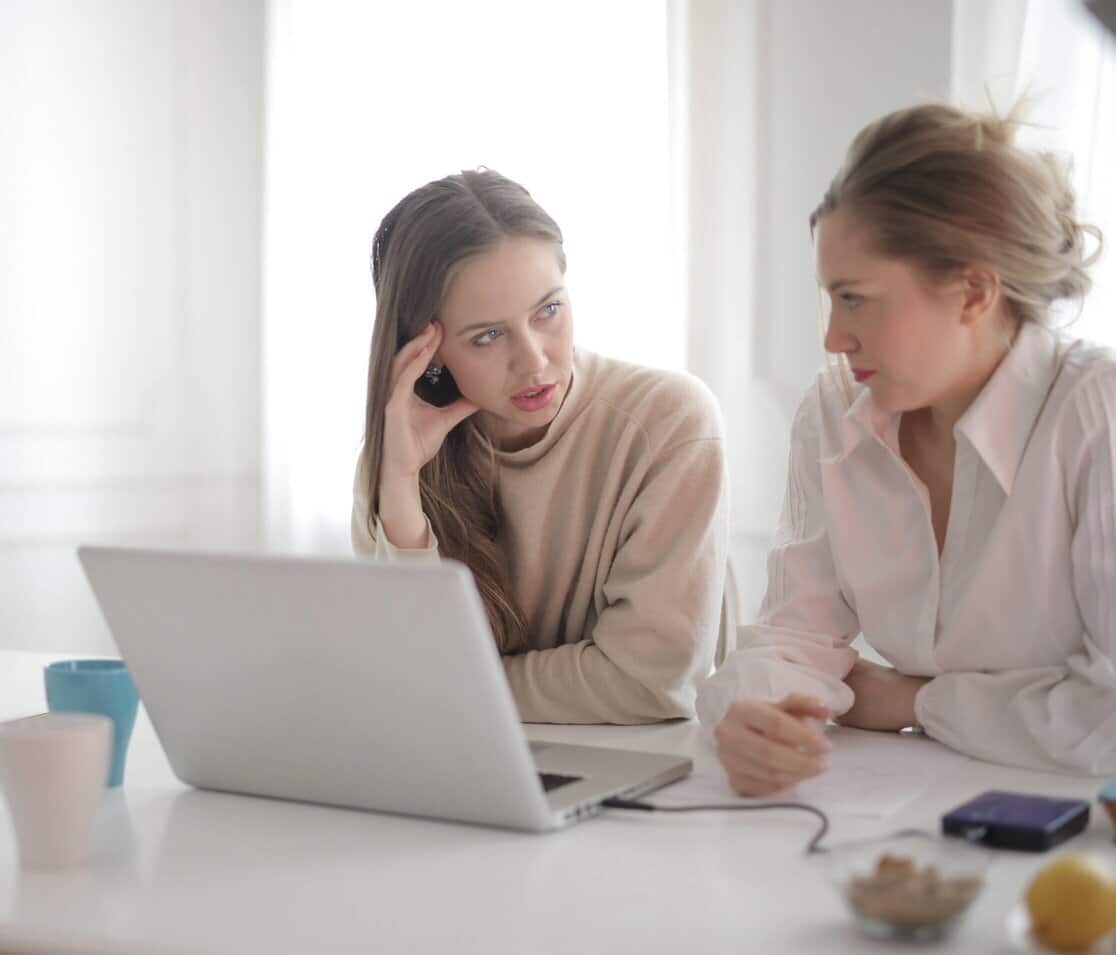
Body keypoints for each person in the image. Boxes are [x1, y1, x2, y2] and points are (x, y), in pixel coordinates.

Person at [698, 102, 1116, 793]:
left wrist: (919, 700)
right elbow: (795, 636)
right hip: (909, 805)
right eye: (830, 299)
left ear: (974, 291)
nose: (834, 336)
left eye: (856, 299)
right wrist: (753, 712)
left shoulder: (1096, 413)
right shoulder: (834, 413)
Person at [353, 169, 730, 724]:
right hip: (476, 763)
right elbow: (406, 673)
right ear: (426, 353)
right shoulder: (400, 457)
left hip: (653, 768)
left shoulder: (669, 421)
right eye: (487, 335)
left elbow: (650, 684)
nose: (533, 361)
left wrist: (459, 684)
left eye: (548, 311)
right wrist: (403, 490)